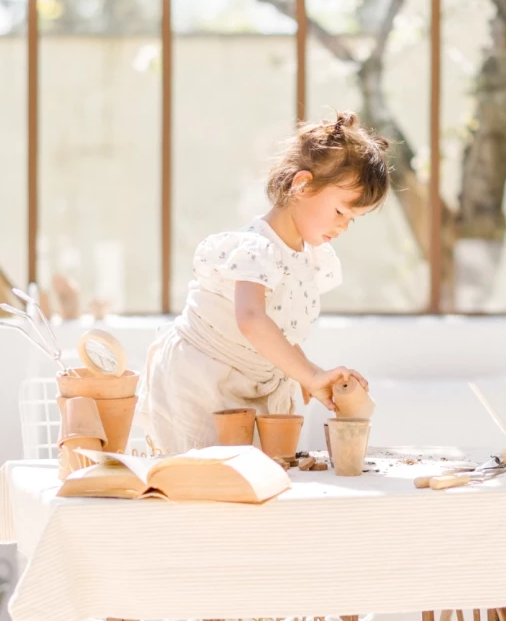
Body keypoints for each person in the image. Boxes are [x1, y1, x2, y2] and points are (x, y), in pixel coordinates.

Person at [138, 112, 390, 454]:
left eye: (353, 220)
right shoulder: (257, 248)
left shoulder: (305, 257)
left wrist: (312, 374)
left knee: (255, 474)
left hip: (253, 382)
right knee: (203, 473)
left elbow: (278, 329)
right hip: (203, 377)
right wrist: (310, 375)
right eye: (340, 212)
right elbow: (252, 319)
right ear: (301, 186)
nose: (344, 227)